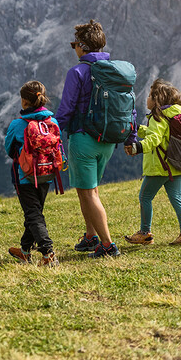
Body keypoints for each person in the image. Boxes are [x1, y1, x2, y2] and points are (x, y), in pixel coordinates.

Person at [57, 19, 131, 258]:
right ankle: (91, 237)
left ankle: (108, 245)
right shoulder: (116, 71)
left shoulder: (77, 72)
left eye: (74, 44)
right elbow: (130, 108)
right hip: (109, 140)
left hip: (83, 140)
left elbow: (66, 110)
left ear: (82, 45)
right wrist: (132, 136)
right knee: (89, 190)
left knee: (89, 193)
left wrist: (50, 132)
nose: (74, 49)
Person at [123, 79, 181, 246]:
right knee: (177, 198)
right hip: (175, 165)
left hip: (159, 167)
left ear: (157, 100)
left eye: (150, 96)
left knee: (145, 197)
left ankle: (145, 232)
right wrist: (136, 128)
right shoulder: (173, 115)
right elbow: (155, 133)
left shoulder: (158, 116)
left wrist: (137, 148)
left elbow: (154, 138)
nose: (147, 98)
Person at [3, 81, 61, 266]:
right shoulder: (53, 121)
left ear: (24, 102)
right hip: (47, 173)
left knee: (33, 214)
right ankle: (25, 251)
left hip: (25, 176)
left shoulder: (17, 124)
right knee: (34, 213)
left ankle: (48, 253)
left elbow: (8, 148)